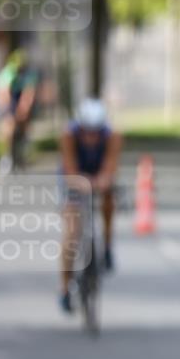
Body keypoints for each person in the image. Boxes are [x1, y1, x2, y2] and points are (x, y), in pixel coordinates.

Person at [58, 98, 123, 314]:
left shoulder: (112, 136)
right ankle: (65, 288)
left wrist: (103, 181)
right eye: (87, 132)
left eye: (96, 132)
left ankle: (107, 246)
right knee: (71, 231)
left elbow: (110, 166)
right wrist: (83, 183)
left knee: (109, 199)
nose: (92, 137)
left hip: (98, 172)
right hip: (75, 174)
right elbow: (70, 169)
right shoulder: (68, 135)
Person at [0, 48, 39, 175]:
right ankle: (5, 157)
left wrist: (24, 110)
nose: (20, 70)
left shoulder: (29, 73)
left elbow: (28, 94)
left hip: (22, 96)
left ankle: (25, 148)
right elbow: (3, 94)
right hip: (10, 97)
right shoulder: (7, 72)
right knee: (8, 127)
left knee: (25, 123)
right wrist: (9, 111)